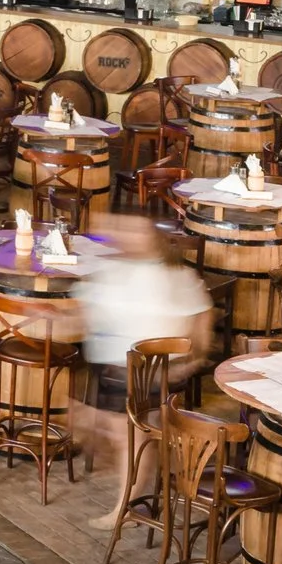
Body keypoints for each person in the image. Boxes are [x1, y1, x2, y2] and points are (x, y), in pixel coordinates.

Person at [73, 214, 212, 532]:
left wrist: (195, 355)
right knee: (98, 421)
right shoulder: (111, 271)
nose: (123, 235)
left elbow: (201, 321)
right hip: (113, 365)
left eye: (135, 231)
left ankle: (126, 505)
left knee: (128, 433)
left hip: (153, 370)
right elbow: (83, 315)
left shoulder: (176, 277)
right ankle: (157, 466)